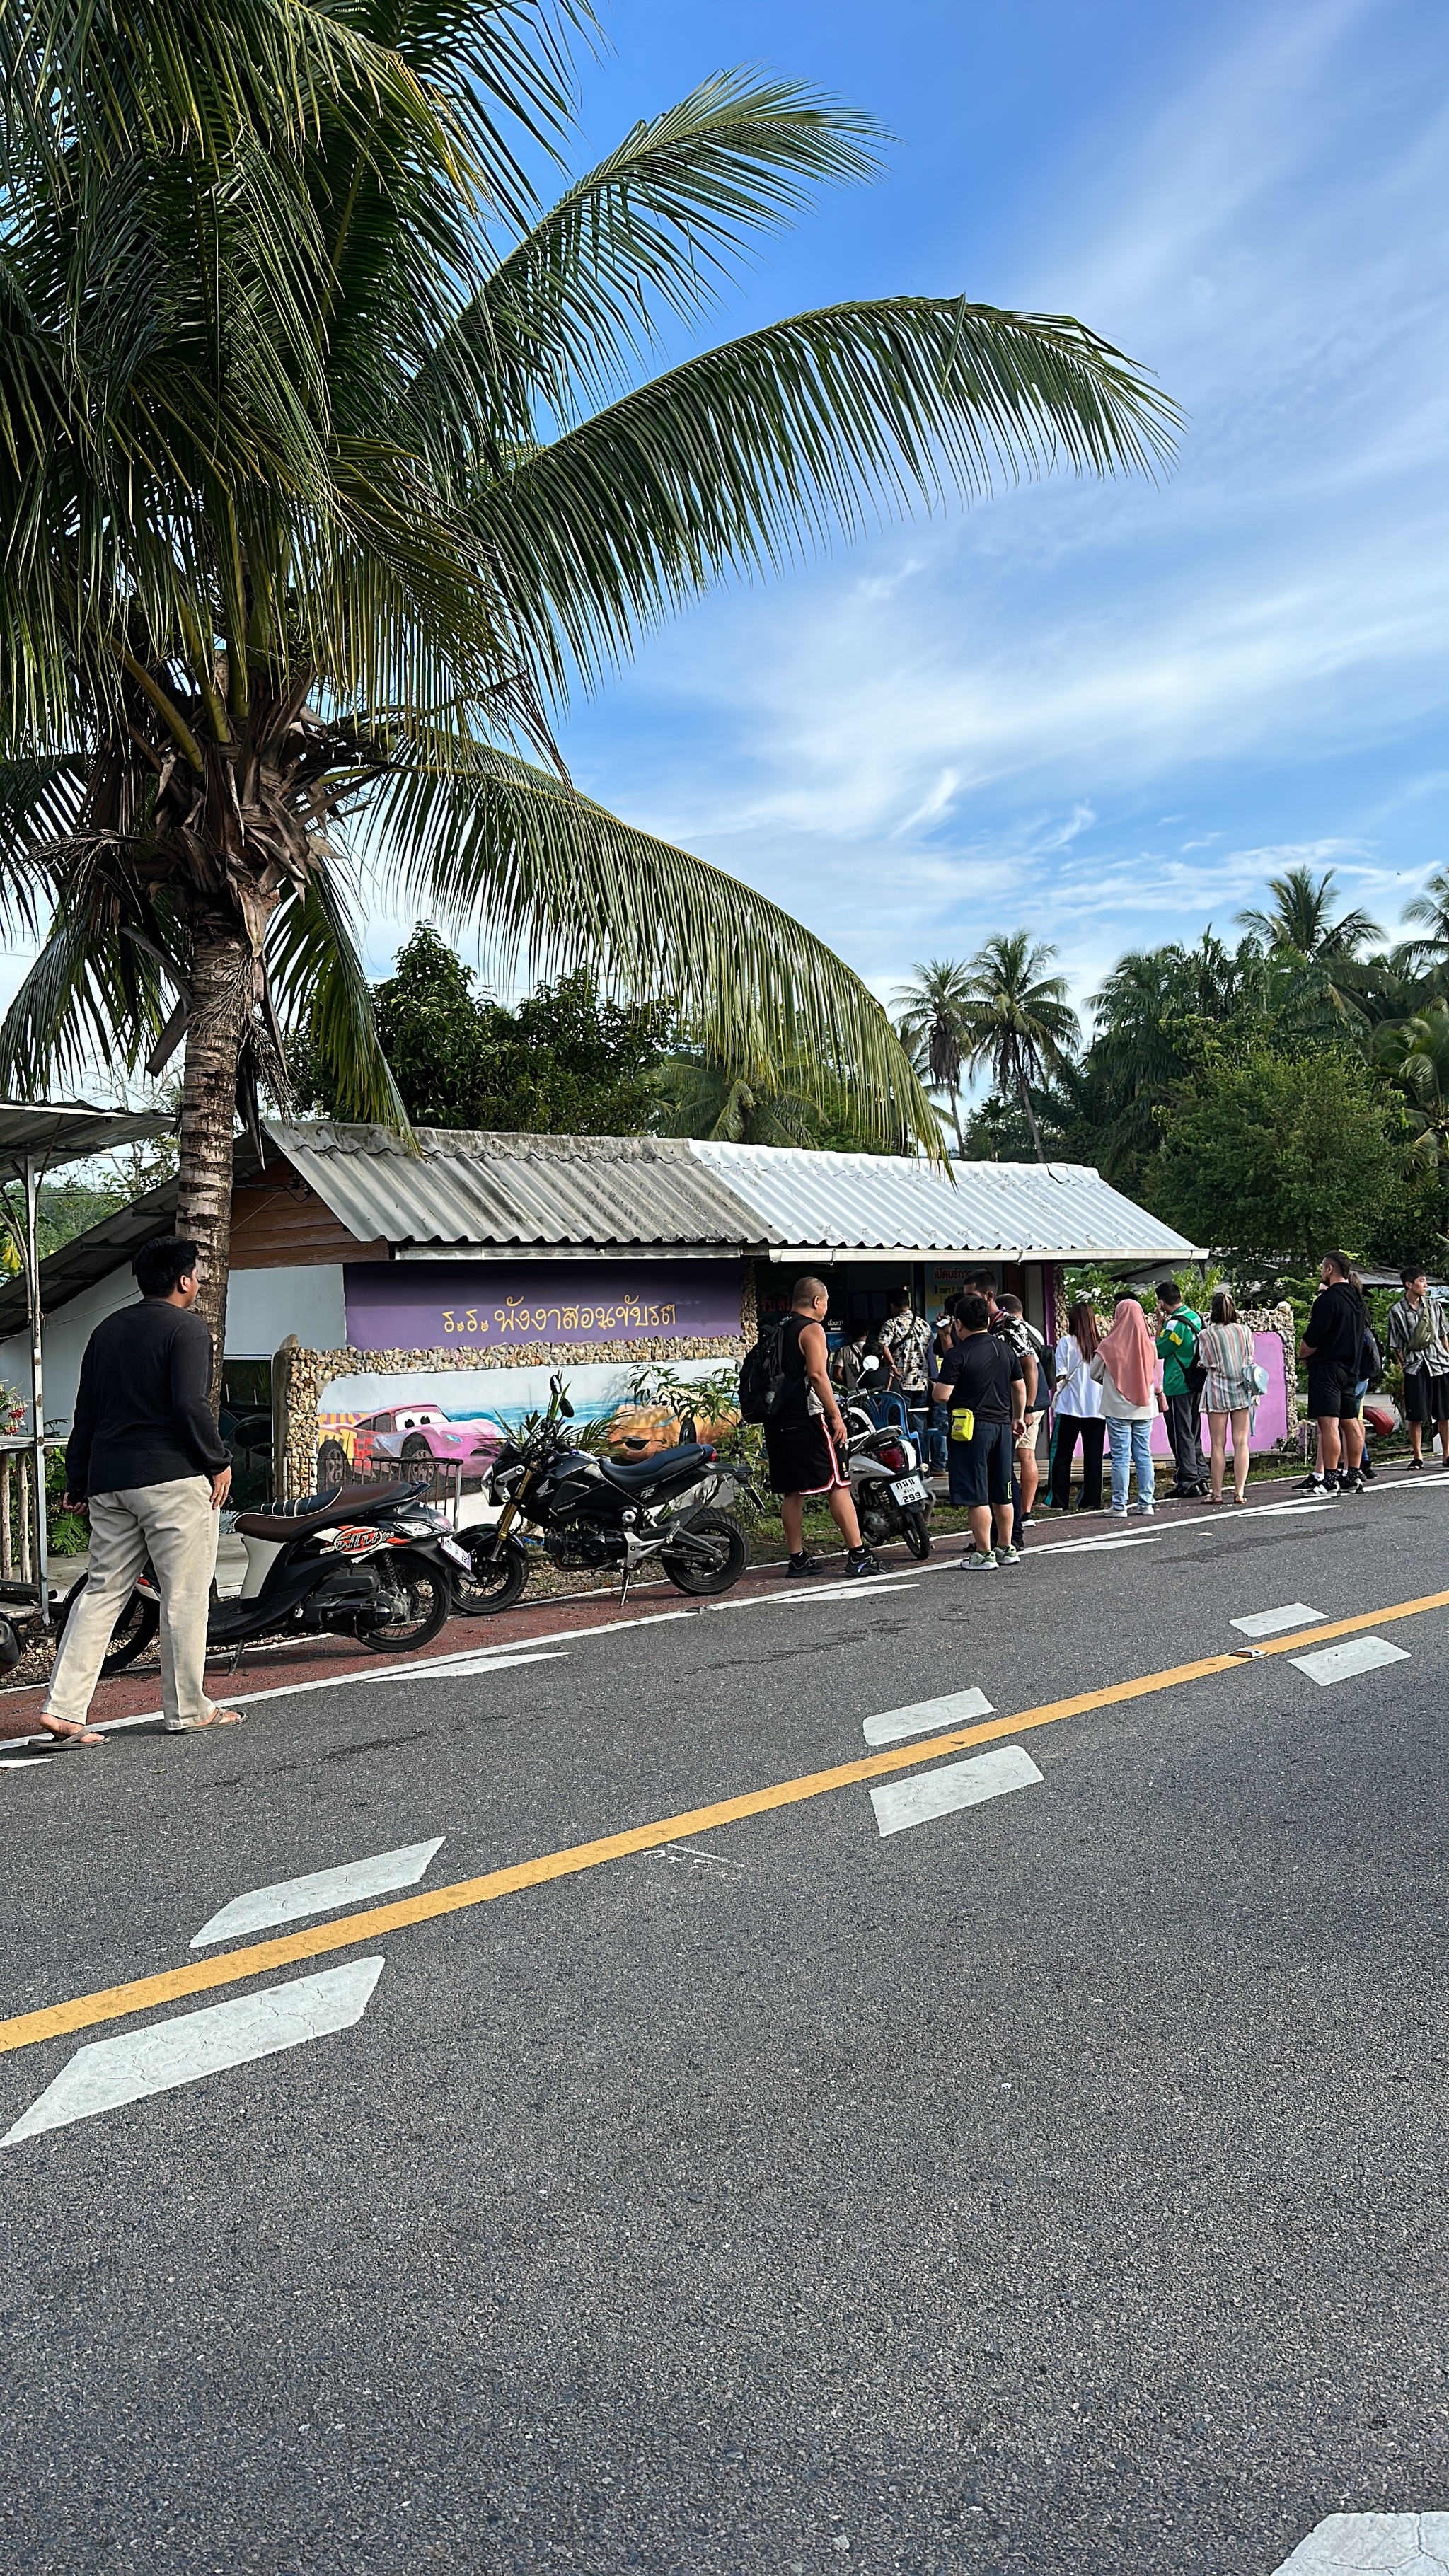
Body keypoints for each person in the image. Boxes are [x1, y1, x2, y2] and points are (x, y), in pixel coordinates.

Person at [37, 1235, 244, 1745]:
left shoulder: (106, 1330)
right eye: (197, 1272)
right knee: (184, 1594)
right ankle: (189, 1708)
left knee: (104, 1589)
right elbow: (189, 1405)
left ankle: (63, 1709)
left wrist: (77, 1478)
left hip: (111, 1483)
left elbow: (87, 1410)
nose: (200, 1281)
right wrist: (217, 1461)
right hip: (171, 1480)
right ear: (182, 1280)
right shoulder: (188, 1329)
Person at [763, 1276, 881, 1579]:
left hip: (777, 1419)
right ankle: (858, 1555)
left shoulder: (778, 1328)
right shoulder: (811, 1329)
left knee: (793, 1491)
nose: (826, 1308)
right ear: (817, 1302)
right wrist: (836, 1417)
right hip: (808, 1416)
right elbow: (817, 1375)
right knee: (838, 1484)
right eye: (826, 1302)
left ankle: (797, 1558)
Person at [930, 1290, 1027, 1569]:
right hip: (1002, 1427)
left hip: (970, 1428)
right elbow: (1019, 1386)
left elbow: (942, 1395)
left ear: (958, 1323)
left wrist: (934, 1385)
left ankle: (983, 1553)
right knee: (1003, 1490)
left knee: (977, 1494)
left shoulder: (958, 1354)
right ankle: (1006, 1547)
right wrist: (1018, 1417)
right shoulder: (1004, 1349)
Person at [1298, 1252, 1368, 1496]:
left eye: (1322, 1269)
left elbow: (1312, 1339)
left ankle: (1330, 1477)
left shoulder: (1328, 1300)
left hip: (1327, 1368)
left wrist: (1303, 1355)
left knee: (1328, 1424)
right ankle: (1354, 1474)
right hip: (1352, 1368)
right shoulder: (1358, 1300)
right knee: (1351, 1421)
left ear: (1329, 1269)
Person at [1090, 1295, 1160, 1518]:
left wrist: (1112, 1381)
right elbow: (1154, 1373)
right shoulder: (1149, 1344)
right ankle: (1146, 1503)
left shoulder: (1108, 1345)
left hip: (1117, 1408)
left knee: (1120, 1456)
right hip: (1145, 1408)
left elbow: (1094, 1373)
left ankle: (1120, 1506)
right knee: (1143, 1454)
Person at [1196, 1287, 1256, 1506]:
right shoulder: (1245, 1331)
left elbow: (1203, 1362)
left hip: (1217, 1390)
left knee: (1217, 1444)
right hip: (1242, 1388)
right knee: (1241, 1442)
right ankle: (1239, 1492)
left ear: (1213, 1311)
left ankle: (1217, 1493)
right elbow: (1249, 1357)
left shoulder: (1206, 1334)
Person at [1385, 1265, 1449, 1469]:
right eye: (1421, 1281)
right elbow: (1396, 1345)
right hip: (1415, 1366)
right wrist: (1405, 1367)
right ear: (1409, 1284)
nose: (1425, 1285)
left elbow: (1443, 1336)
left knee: (1444, 1412)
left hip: (1439, 1362)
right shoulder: (1396, 1311)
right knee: (1416, 1414)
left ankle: (1447, 1455)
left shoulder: (1434, 1306)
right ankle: (1418, 1456)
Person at [1048, 1300, 1107, 1511]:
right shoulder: (1102, 1344)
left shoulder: (1066, 1342)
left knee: (1062, 1455)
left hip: (1070, 1406)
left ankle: (1059, 1500)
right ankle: (1092, 1500)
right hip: (1097, 1408)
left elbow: (1061, 1374)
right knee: (1094, 1457)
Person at [993, 1293, 1045, 1526]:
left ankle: (1013, 1513)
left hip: (1021, 1401)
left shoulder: (1008, 1330)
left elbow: (1027, 1368)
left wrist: (1026, 1408)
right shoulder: (1035, 1331)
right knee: (1028, 1456)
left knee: (1005, 1459)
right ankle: (1026, 1512)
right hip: (1040, 1398)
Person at [1155, 1279, 1208, 1498]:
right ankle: (1201, 1475)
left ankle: (1188, 1481)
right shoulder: (1195, 1316)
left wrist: (1159, 1324)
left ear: (1161, 1302)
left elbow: (1159, 1350)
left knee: (1181, 1432)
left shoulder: (1174, 1325)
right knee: (1194, 1431)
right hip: (1195, 1381)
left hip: (1178, 1383)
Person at [879, 1286, 932, 1458]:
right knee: (920, 1424)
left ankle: (909, 1461)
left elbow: (882, 1345)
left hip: (901, 1382)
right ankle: (923, 1461)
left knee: (902, 1424)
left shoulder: (891, 1324)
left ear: (893, 1305)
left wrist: (892, 1364)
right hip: (922, 1381)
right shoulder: (923, 1324)